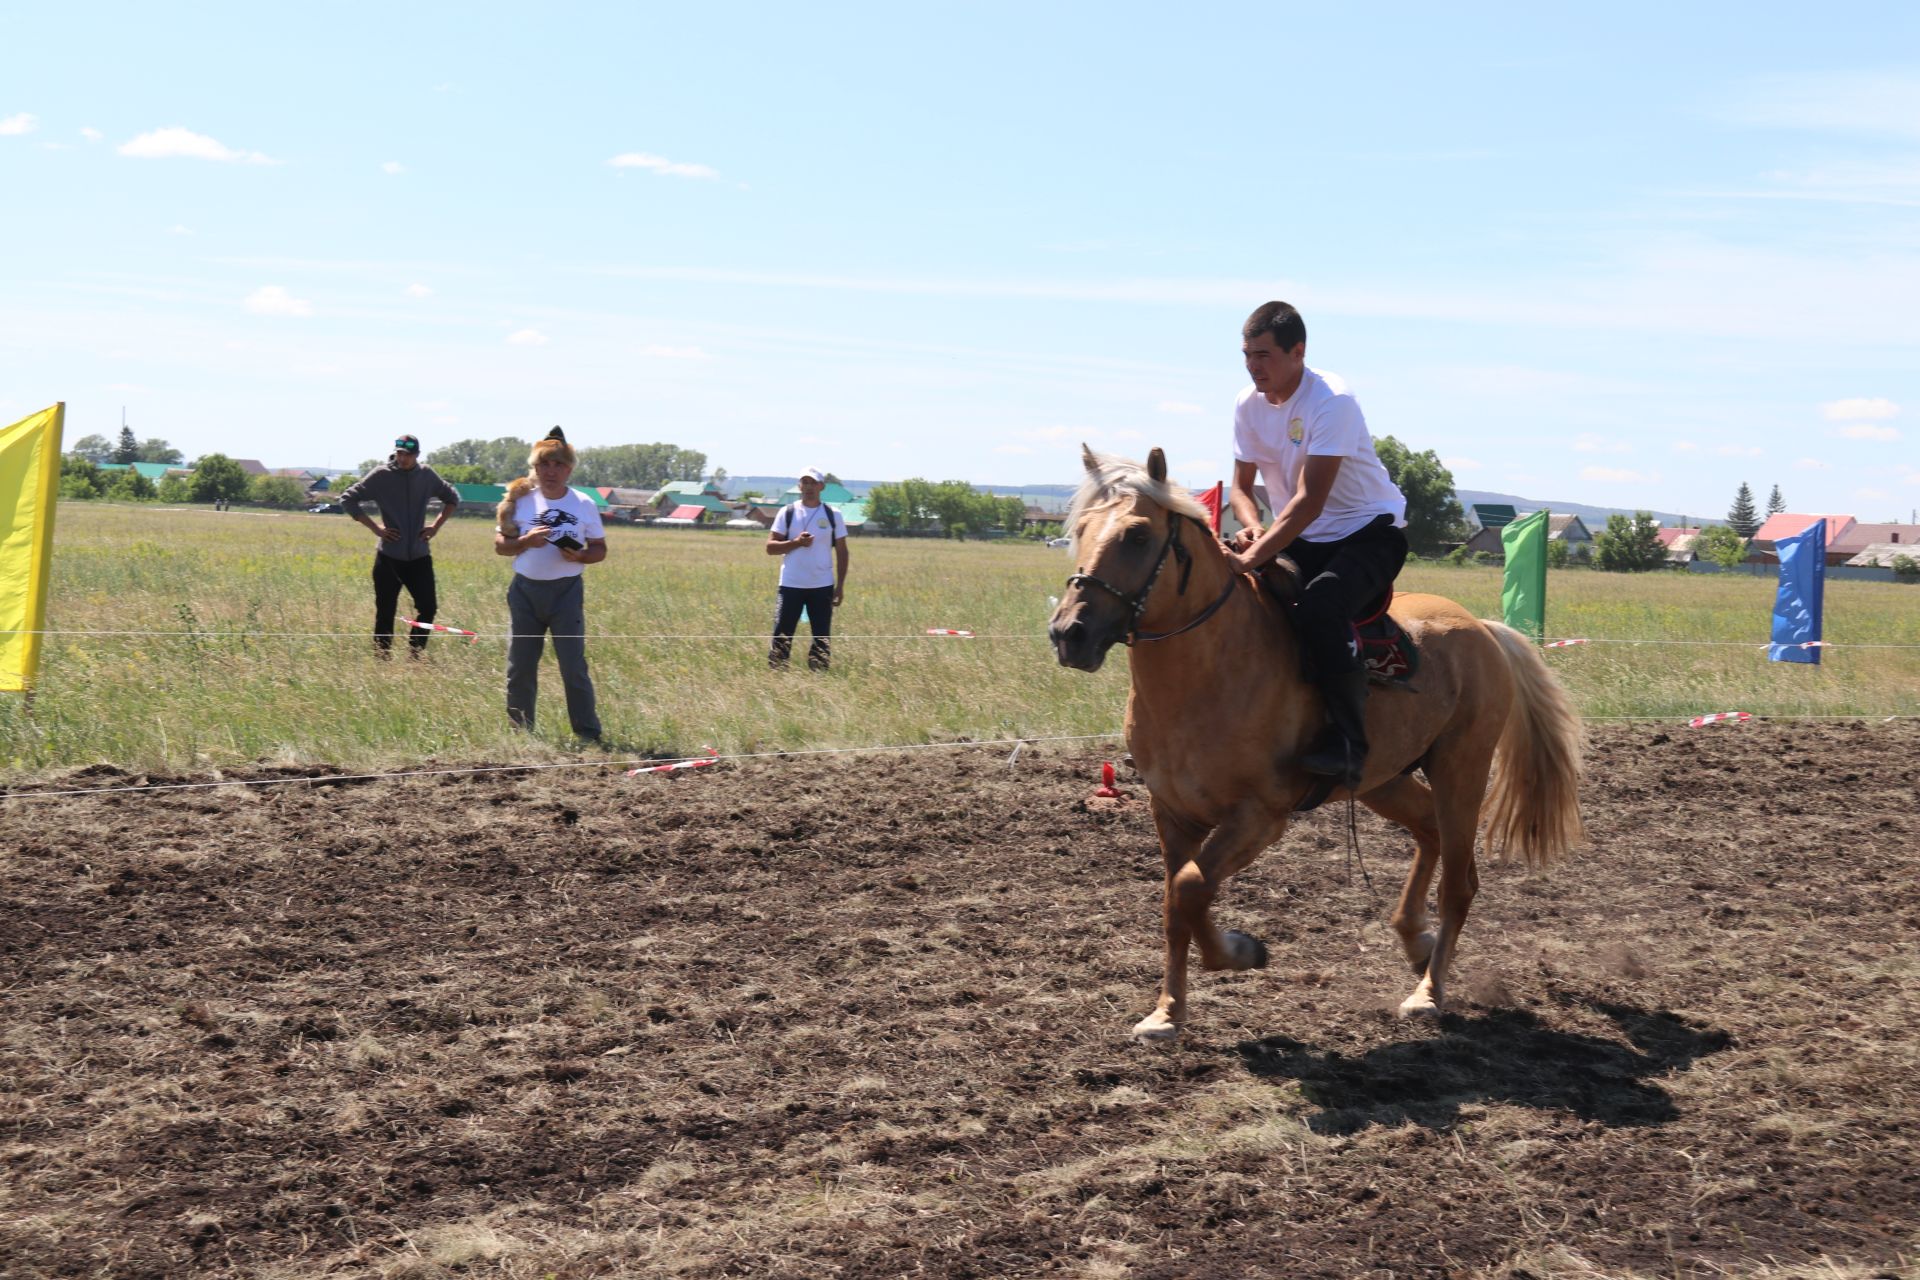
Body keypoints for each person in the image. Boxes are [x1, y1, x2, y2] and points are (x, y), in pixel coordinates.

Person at [1224, 301, 1409, 787]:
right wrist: (1252, 527)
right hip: (1301, 534)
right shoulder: (1247, 404)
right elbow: (1242, 490)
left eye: (1263, 354)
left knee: (1320, 608)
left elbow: (1308, 501)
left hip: (1369, 531)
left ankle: (1350, 745)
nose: (1252, 365)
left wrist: (1248, 558)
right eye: (1247, 354)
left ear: (1298, 352)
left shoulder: (1333, 402)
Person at [494, 427, 606, 742]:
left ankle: (588, 733)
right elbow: (500, 545)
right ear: (535, 467)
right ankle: (520, 734)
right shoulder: (520, 500)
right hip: (525, 591)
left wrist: (582, 555)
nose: (551, 471)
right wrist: (526, 541)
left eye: (558, 465)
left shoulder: (583, 503)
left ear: (569, 469)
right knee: (521, 666)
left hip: (566, 593)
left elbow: (600, 550)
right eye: (544, 464)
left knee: (573, 666)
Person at [335, 434, 460, 655]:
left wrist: (436, 526)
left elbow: (452, 498)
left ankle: (415, 655)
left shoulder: (426, 475)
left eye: (408, 455)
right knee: (385, 611)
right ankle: (382, 659)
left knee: (428, 608)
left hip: (419, 557)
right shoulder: (381, 475)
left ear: (417, 455)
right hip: (389, 557)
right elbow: (348, 498)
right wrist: (376, 529)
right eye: (400, 453)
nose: (403, 458)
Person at [765, 467, 850, 671]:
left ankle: (819, 674)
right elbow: (770, 548)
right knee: (782, 633)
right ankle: (777, 673)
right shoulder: (787, 512)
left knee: (821, 635)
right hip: (790, 585)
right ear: (799, 486)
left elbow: (842, 551)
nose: (809, 487)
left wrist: (840, 586)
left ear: (822, 487)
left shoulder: (833, 515)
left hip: (822, 585)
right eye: (805, 482)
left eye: (813, 483)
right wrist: (795, 543)